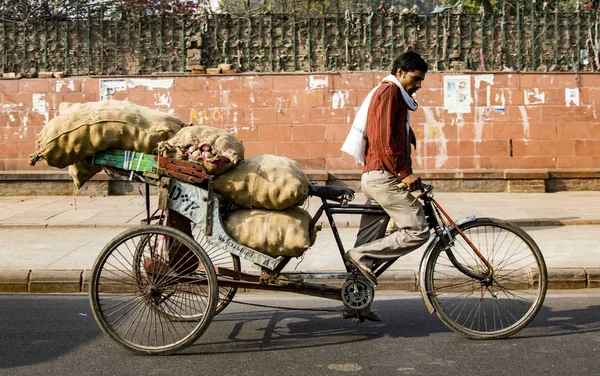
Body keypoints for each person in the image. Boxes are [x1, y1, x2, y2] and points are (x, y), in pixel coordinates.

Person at [343, 51, 431, 292]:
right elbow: (383, 140)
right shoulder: (390, 92)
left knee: (369, 239)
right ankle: (358, 254)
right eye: (415, 79)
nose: (418, 85)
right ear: (400, 73)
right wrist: (404, 174)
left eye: (421, 80)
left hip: (378, 176)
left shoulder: (395, 95)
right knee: (418, 230)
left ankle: (355, 302)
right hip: (384, 177)